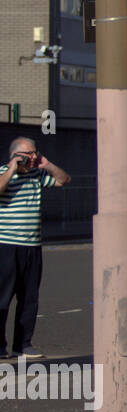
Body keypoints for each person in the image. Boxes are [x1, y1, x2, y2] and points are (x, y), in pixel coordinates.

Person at [0, 138, 71, 359]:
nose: (32, 158)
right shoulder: (4, 172)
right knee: (2, 298)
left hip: (32, 246)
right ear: (14, 155)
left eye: (34, 153)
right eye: (27, 154)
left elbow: (64, 180)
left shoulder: (37, 175)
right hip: (7, 245)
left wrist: (46, 164)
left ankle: (23, 345)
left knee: (29, 298)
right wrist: (13, 168)